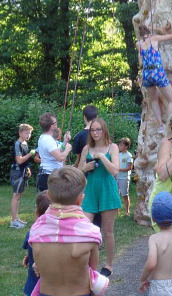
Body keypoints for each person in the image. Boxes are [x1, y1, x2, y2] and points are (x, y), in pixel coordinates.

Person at [28, 166, 102, 296]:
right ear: (80, 198)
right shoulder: (90, 233)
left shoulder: (37, 230)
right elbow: (93, 269)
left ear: (49, 195)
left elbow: (38, 265)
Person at [74, 117, 121, 277]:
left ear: (104, 130)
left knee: (107, 231)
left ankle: (109, 264)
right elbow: (79, 171)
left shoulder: (113, 147)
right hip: (90, 192)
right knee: (84, 229)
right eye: (93, 130)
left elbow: (115, 171)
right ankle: (87, 264)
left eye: (98, 129)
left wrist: (102, 157)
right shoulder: (87, 148)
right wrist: (85, 167)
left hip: (108, 191)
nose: (95, 133)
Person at [137, 22, 172, 130]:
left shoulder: (138, 44)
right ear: (149, 31)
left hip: (146, 74)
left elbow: (140, 63)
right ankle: (169, 125)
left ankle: (160, 125)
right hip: (157, 72)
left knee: (153, 100)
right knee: (171, 100)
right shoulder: (154, 38)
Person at [22, 191, 51, 296]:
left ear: (37, 212)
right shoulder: (59, 235)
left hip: (34, 283)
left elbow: (32, 248)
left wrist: (29, 257)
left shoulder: (32, 233)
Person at [37, 113, 72, 192]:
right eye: (56, 122)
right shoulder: (48, 140)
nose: (57, 124)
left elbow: (58, 151)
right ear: (52, 126)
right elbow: (60, 158)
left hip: (50, 175)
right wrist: (68, 149)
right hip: (49, 176)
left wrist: (65, 142)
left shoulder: (46, 138)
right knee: (52, 203)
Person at [11, 123, 37, 228]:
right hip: (17, 172)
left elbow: (25, 162)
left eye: (30, 133)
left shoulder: (25, 143)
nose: (28, 135)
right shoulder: (17, 144)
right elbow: (19, 160)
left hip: (23, 171)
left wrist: (28, 168)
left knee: (19, 196)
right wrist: (31, 154)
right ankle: (13, 221)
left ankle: (17, 218)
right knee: (16, 195)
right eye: (26, 133)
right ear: (20, 133)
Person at [116, 137, 134, 216]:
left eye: (121, 145)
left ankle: (127, 211)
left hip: (124, 178)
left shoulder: (129, 156)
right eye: (119, 145)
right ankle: (117, 211)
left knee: (125, 195)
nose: (119, 146)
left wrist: (119, 169)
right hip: (117, 177)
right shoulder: (118, 154)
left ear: (126, 146)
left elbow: (130, 168)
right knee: (116, 195)